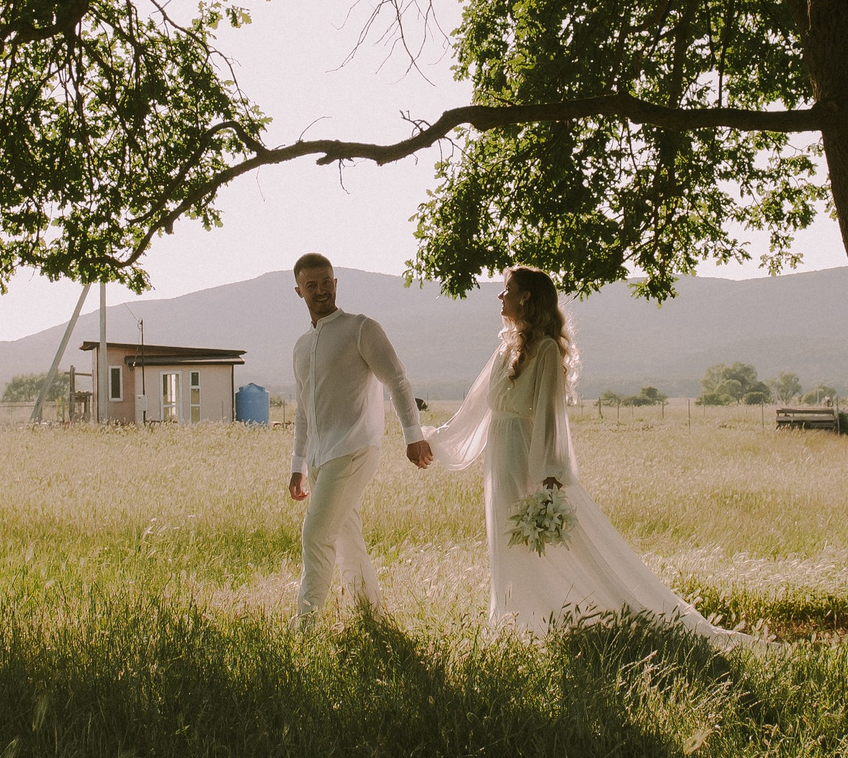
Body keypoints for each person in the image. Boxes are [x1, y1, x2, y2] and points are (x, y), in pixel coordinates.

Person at [428, 266, 756, 648]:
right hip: (499, 458)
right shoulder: (506, 348)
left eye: (508, 290)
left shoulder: (546, 349)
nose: (501, 297)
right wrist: (435, 441)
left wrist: (549, 472)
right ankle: (512, 619)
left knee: (536, 538)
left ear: (528, 297)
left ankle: (582, 612)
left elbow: (550, 414)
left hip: (524, 456)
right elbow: (475, 408)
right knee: (504, 535)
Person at [287, 252, 431, 622]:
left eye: (326, 282)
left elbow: (397, 380)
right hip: (320, 457)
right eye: (311, 285)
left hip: (354, 448)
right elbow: (303, 411)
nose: (321, 291)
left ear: (336, 284)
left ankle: (304, 626)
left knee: (315, 535)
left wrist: (412, 435)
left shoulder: (361, 328)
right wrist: (297, 466)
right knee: (347, 538)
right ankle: (372, 616)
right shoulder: (302, 346)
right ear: (299, 291)